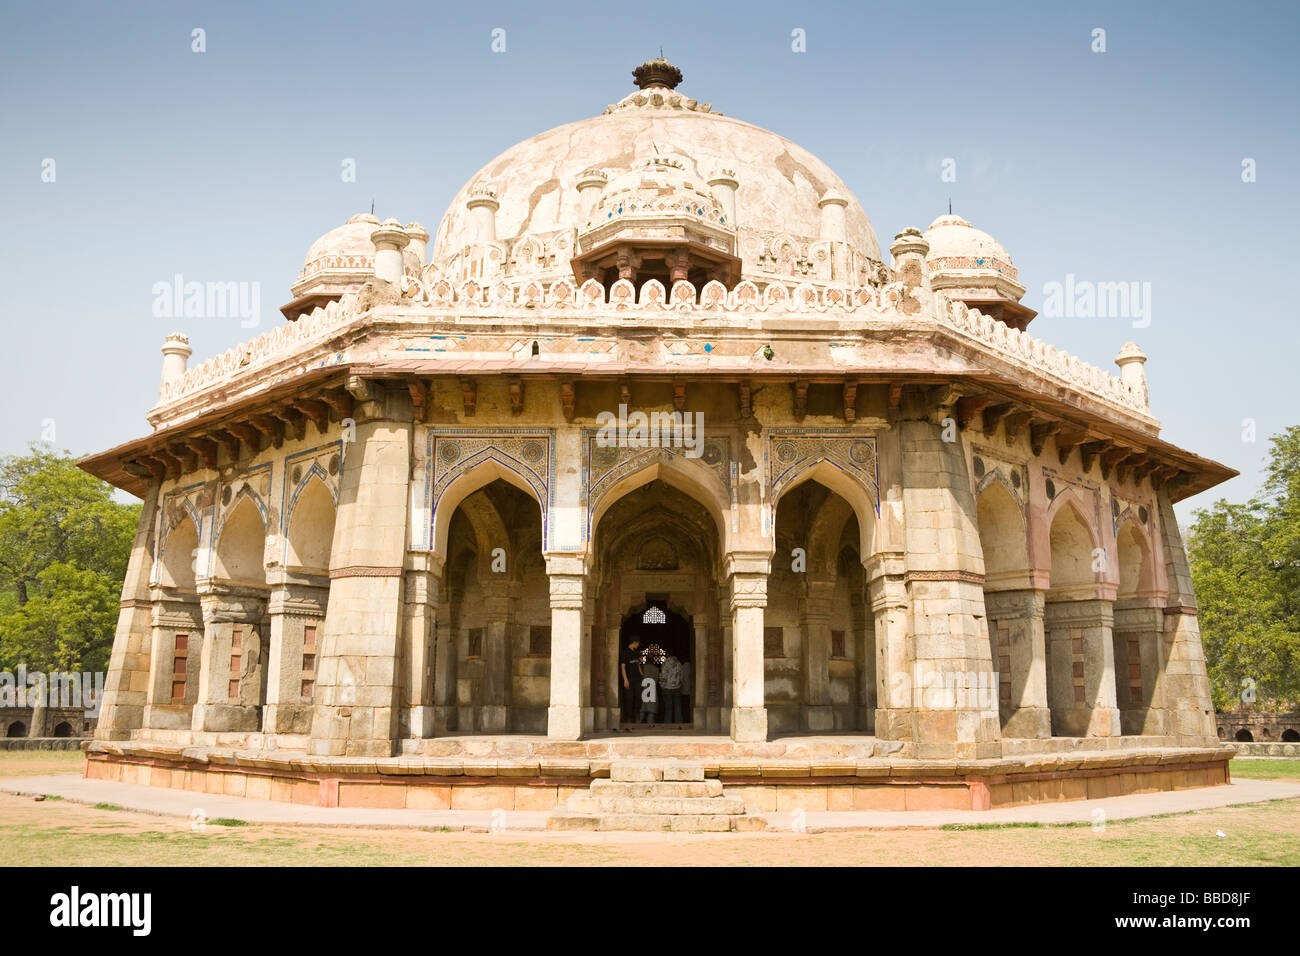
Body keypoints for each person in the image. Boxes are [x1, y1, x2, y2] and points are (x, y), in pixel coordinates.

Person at [619, 637, 642, 730]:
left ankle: (636, 716)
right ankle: (628, 718)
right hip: (629, 679)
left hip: (637, 679)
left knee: (638, 698)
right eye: (638, 643)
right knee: (629, 699)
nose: (638, 645)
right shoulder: (625, 653)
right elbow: (623, 667)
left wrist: (642, 675)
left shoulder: (636, 653)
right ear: (634, 642)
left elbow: (638, 665)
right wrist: (625, 679)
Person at [659, 652, 684, 725]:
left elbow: (663, 676)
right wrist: (679, 684)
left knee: (668, 707)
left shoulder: (665, 664)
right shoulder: (679, 663)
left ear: (667, 655)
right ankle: (678, 723)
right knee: (678, 707)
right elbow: (682, 676)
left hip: (667, 688)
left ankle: (668, 724)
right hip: (677, 687)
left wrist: (662, 685)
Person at [638, 653, 660, 726]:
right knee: (651, 709)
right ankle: (649, 724)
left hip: (643, 689)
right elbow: (657, 679)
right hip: (652, 690)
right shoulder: (656, 669)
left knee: (643, 707)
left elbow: (640, 676)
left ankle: (639, 723)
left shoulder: (643, 667)